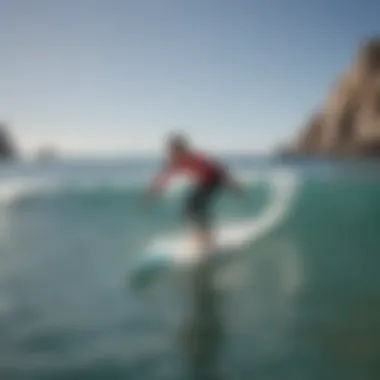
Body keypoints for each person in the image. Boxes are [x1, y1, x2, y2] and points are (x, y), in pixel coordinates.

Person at [146, 133, 244, 254]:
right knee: (189, 209)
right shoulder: (173, 161)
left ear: (182, 148)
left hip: (214, 178)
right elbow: (163, 178)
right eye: (171, 149)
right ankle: (201, 239)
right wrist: (153, 193)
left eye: (175, 148)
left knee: (196, 206)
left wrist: (233, 186)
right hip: (203, 181)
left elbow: (219, 169)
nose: (171, 152)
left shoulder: (195, 157)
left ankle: (209, 240)